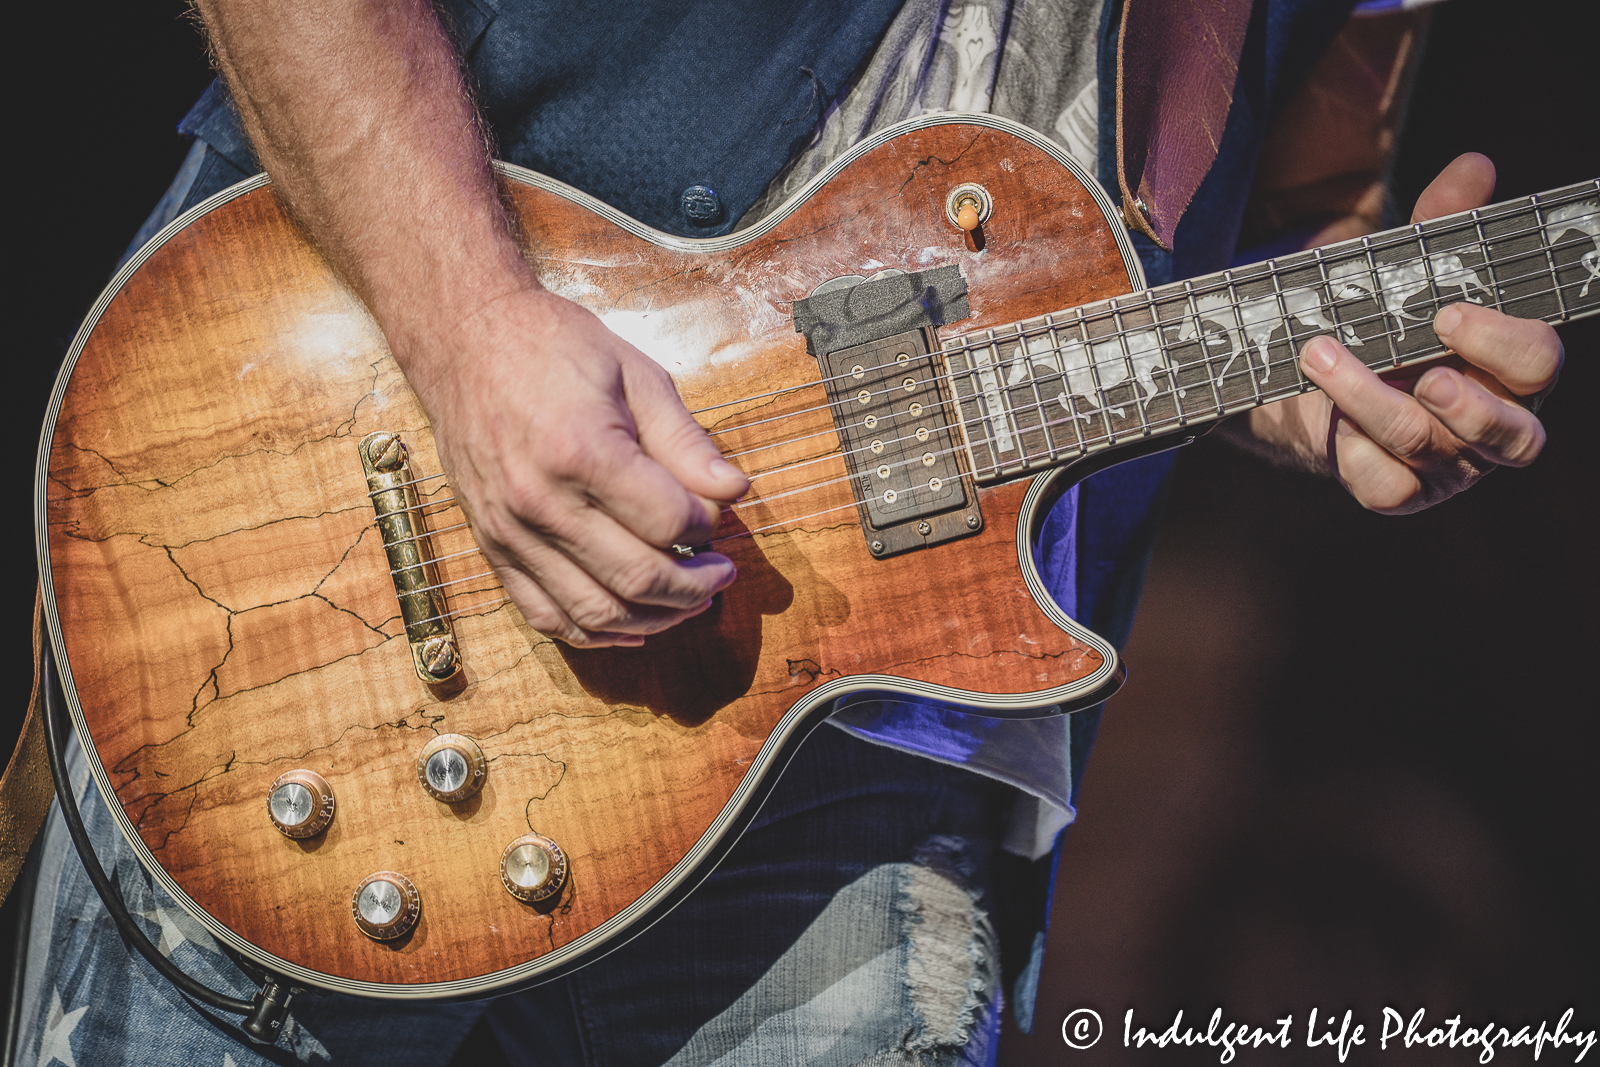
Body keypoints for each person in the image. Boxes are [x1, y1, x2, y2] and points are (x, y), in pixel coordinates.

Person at [16, 0, 1565, 1064]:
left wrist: (1319, 380)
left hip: (888, 718)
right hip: (371, 502)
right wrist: (472, 328)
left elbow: (1264, 209)